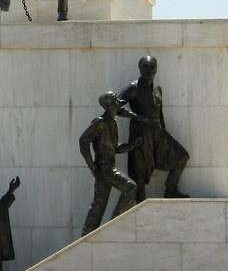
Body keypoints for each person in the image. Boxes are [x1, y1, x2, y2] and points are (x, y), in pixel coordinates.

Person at [119, 55, 190, 201]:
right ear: (140, 68)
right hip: (141, 133)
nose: (149, 70)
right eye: (146, 66)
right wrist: (134, 116)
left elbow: (160, 112)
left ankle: (171, 188)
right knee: (139, 172)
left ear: (156, 69)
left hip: (158, 131)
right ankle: (140, 206)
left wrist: (163, 133)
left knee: (182, 156)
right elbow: (114, 107)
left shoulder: (158, 89)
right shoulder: (133, 88)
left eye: (152, 67)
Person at [79, 91, 139, 236]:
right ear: (108, 105)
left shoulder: (112, 122)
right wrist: (91, 164)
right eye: (114, 100)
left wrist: (132, 145)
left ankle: (87, 233)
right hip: (104, 168)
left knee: (98, 204)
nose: (118, 101)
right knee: (130, 188)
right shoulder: (100, 122)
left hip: (108, 167)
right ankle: (114, 225)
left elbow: (115, 148)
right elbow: (83, 140)